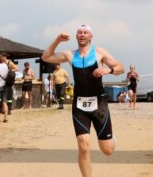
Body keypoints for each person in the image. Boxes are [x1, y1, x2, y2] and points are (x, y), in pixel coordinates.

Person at [42, 24, 123, 177]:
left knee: (107, 150)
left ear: (91, 36)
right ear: (76, 36)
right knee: (84, 146)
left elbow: (120, 67)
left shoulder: (100, 52)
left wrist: (108, 70)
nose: (82, 34)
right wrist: (58, 40)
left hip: (99, 104)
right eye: (79, 32)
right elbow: (45, 57)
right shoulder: (70, 55)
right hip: (79, 106)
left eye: (86, 32)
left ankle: (111, 138)